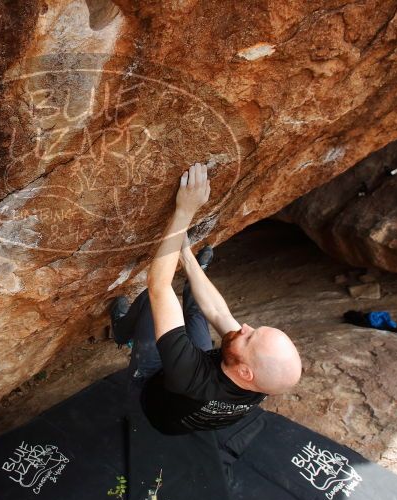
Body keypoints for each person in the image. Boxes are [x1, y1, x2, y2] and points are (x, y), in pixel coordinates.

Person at [110, 162, 301, 435]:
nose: (244, 328)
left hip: (154, 389)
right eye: (254, 330)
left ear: (246, 373)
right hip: (197, 387)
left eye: (249, 337)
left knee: (151, 304)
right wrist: (185, 256)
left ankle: (120, 331)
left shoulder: (189, 375)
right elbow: (219, 313)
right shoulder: (260, 381)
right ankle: (195, 271)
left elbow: (159, 287)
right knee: (199, 312)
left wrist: (184, 211)